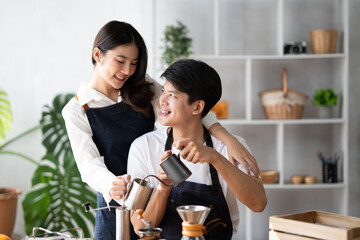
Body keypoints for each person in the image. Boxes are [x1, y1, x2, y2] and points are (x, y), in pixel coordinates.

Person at [62, 20, 260, 240]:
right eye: (120, 61)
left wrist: (227, 139)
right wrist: (112, 184)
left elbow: (188, 105)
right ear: (98, 55)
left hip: (155, 195)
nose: (127, 70)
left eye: (134, 63)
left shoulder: (140, 86)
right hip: (117, 206)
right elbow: (89, 166)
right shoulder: (78, 109)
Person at [127, 59, 267, 240]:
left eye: (172, 95)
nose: (162, 100)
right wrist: (163, 188)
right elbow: (140, 227)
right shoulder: (144, 147)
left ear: (198, 106)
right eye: (163, 91)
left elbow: (258, 203)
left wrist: (215, 158)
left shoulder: (230, 148)